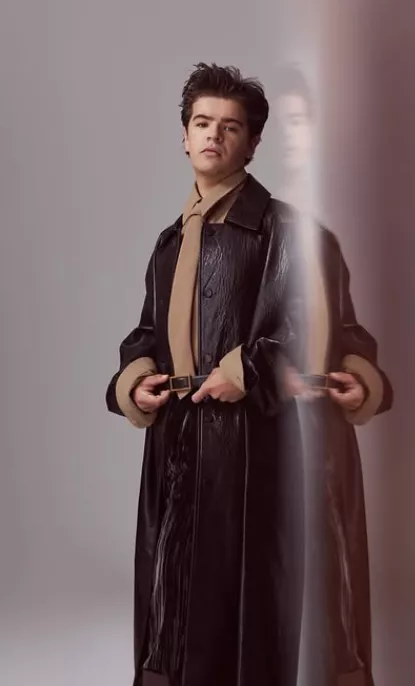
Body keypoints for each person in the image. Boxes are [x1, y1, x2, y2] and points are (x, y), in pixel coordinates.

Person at [106, 62, 307, 686]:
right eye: (202, 123)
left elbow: (304, 325)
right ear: (184, 136)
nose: (213, 135)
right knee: (168, 593)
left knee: (235, 606)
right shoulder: (171, 242)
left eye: (230, 126)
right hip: (174, 438)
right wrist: (137, 377)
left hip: (246, 445)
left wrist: (244, 370)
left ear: (252, 143)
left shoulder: (280, 228)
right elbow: (147, 331)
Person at [272, 65, 394, 686]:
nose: (290, 136)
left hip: (322, 445)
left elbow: (349, 334)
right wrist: (272, 373)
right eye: (278, 123)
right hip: (256, 442)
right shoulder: (230, 235)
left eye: (300, 121)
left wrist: (355, 377)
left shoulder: (321, 240)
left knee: (330, 600)